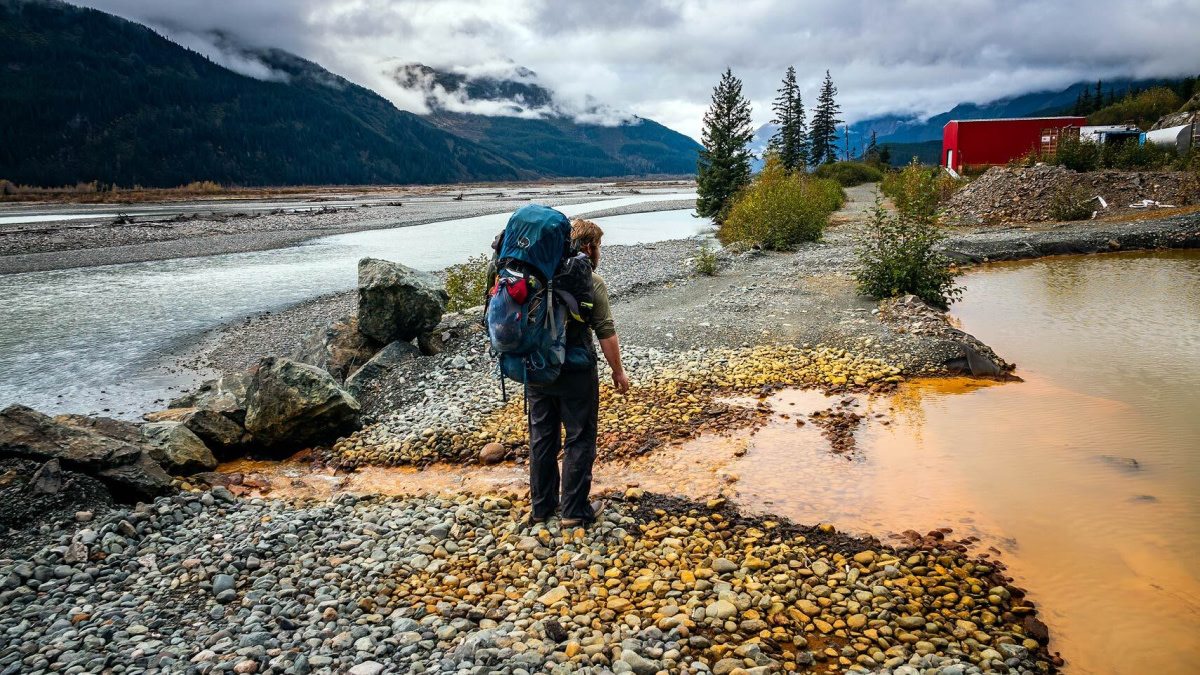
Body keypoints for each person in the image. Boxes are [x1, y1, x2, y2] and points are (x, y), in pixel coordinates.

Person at [526, 218, 630, 527]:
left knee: (542, 437)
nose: (598, 253)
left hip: (537, 368)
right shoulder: (589, 280)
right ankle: (574, 509)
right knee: (580, 436)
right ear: (588, 247)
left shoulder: (536, 275)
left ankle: (542, 507)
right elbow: (605, 331)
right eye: (597, 246)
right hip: (576, 370)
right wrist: (618, 372)